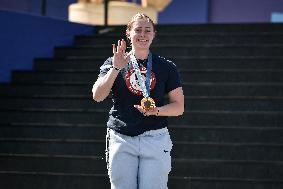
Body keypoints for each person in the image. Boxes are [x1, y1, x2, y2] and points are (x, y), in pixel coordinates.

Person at [92, 13, 184, 189]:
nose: (143, 34)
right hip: (121, 136)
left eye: (147, 30)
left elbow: (179, 107)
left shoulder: (167, 67)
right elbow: (97, 96)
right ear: (128, 33)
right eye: (138, 30)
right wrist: (116, 68)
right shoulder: (113, 62)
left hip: (155, 137)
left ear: (154, 34)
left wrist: (156, 110)